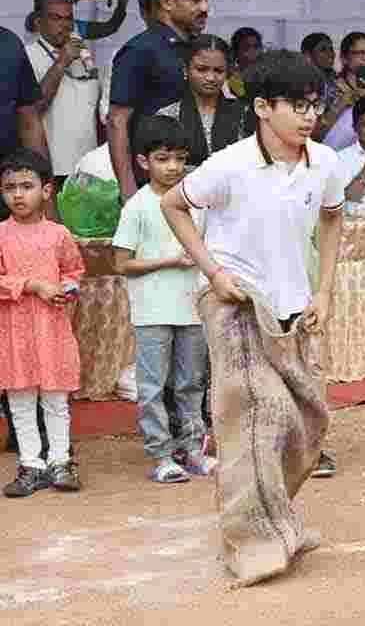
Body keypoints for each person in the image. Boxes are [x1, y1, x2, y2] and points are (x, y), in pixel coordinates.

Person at [159, 50, 344, 586]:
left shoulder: (325, 162)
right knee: (259, 414)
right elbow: (173, 205)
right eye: (297, 106)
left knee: (308, 421)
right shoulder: (229, 164)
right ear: (263, 107)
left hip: (292, 304)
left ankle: (277, 519)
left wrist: (323, 291)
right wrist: (214, 273)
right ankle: (252, 545)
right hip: (234, 299)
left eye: (315, 105)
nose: (310, 116)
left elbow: (333, 219)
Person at [111, 115, 216, 484]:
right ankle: (161, 455)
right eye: (163, 158)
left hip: (192, 308)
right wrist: (170, 261)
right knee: (152, 387)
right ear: (143, 162)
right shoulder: (137, 206)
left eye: (180, 159)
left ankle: (193, 449)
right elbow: (121, 263)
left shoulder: (196, 204)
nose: (172, 167)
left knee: (192, 383)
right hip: (152, 312)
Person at [0, 150, 84, 498]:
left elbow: (74, 270)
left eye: (26, 186)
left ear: (46, 191)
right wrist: (33, 286)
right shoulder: (1, 235)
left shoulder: (59, 234)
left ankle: (60, 462)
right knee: (20, 401)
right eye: (9, 188)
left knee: (55, 399)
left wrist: (68, 289)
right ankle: (30, 465)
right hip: (14, 333)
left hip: (52, 329)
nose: (18, 195)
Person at [110, 0, 210, 198]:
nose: (205, 7)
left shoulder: (199, 49)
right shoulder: (140, 50)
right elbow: (117, 121)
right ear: (167, 2)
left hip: (196, 180)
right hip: (154, 184)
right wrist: (127, 188)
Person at [26, 0, 100, 189]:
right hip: (53, 169)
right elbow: (33, 108)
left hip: (89, 168)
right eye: (56, 18)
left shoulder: (82, 56)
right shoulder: (28, 56)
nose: (65, 25)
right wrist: (62, 61)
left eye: (69, 18)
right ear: (38, 23)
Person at [156, 35, 246, 168]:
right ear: (185, 69)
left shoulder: (243, 114)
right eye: (201, 69)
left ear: (227, 72)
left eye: (218, 71)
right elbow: (161, 168)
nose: (211, 78)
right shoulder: (168, 116)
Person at [28, 0, 129, 41]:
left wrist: (122, 3)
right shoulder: (36, 23)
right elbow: (32, 22)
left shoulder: (72, 27)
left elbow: (110, 27)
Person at [300, 32, 337, 107]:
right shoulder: (301, 84)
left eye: (331, 49)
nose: (331, 54)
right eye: (323, 50)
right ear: (308, 55)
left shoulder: (336, 81)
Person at [225, 27, 263, 99]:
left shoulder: (267, 77)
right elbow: (244, 97)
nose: (252, 52)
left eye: (256, 47)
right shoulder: (231, 79)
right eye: (246, 47)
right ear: (235, 51)